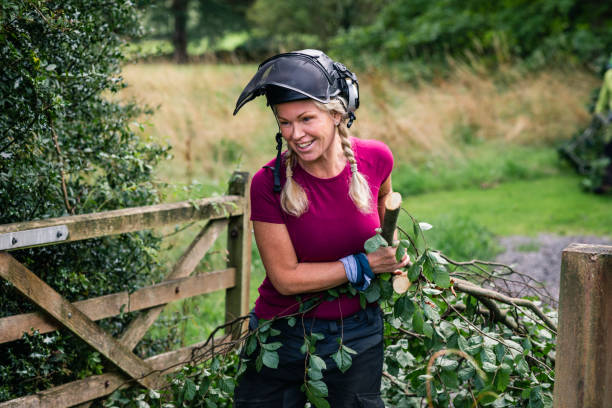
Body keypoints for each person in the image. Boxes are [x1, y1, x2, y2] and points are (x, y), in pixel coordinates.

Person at [231, 49, 409, 407]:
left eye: (306, 118)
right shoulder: (269, 184)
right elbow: (285, 278)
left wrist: (393, 255)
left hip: (355, 335)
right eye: (285, 122)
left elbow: (384, 220)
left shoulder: (377, 159)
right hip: (279, 335)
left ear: (336, 114)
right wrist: (364, 265)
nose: (295, 134)